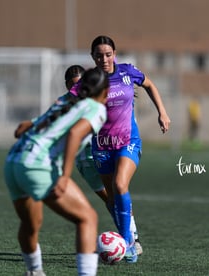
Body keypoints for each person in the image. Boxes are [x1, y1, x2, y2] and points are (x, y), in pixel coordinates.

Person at [14, 65, 143, 255]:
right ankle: (127, 240)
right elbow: (59, 121)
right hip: (85, 161)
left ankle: (131, 238)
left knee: (118, 191)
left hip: (100, 151)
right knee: (108, 200)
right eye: (75, 85)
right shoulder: (75, 102)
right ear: (69, 86)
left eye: (84, 84)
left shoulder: (98, 104)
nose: (83, 89)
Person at [72, 35, 171, 263]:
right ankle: (128, 243)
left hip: (128, 142)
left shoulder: (127, 72)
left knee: (120, 184)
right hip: (102, 148)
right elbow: (68, 99)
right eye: (99, 56)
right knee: (113, 199)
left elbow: (149, 84)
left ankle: (127, 244)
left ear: (114, 54)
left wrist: (162, 112)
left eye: (108, 54)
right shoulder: (90, 81)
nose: (104, 59)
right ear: (93, 58)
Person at [4, 67, 108, 276]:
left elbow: (24, 127)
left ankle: (35, 272)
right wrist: (65, 175)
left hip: (14, 161)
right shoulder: (96, 108)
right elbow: (74, 133)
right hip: (37, 165)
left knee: (31, 222)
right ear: (105, 92)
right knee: (87, 218)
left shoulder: (66, 102)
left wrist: (28, 127)